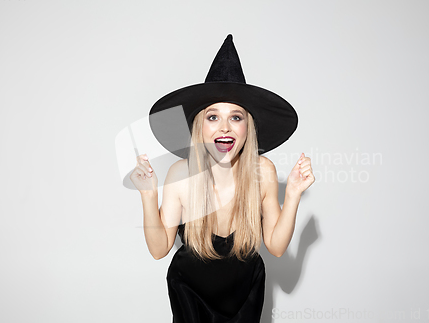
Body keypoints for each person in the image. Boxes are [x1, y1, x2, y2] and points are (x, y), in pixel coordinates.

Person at [130, 35, 314, 323]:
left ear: (248, 127)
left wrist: (292, 194)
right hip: (190, 294)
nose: (225, 128)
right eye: (213, 117)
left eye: (236, 117)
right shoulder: (181, 174)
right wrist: (148, 194)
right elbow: (158, 250)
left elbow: (276, 247)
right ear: (199, 126)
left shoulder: (262, 170)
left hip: (245, 295)